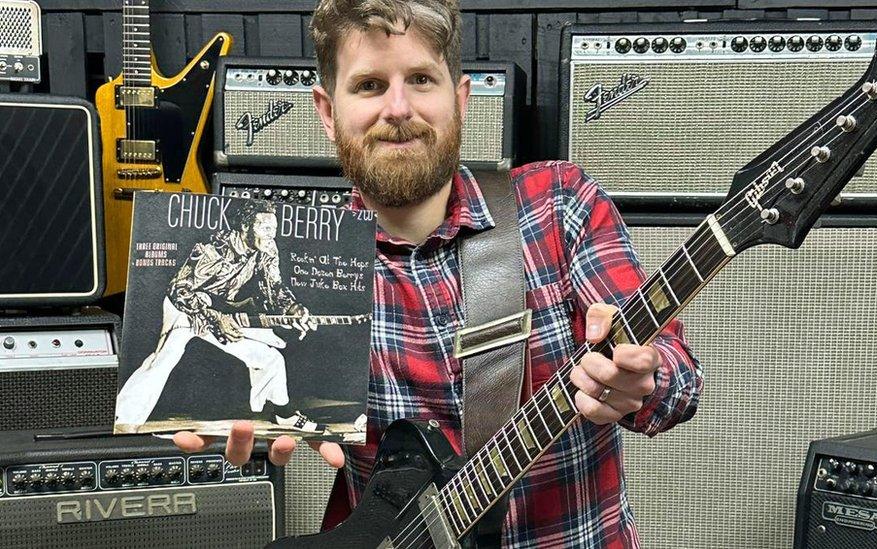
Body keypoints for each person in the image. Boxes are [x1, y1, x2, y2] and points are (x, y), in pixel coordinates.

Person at [174, 0, 704, 545]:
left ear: (462, 99)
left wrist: (646, 379)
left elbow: (677, 377)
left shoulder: (557, 204)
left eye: (422, 79)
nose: (398, 107)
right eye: (369, 85)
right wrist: (208, 401)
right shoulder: (296, 262)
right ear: (328, 112)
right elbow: (237, 377)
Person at [117, 200, 323, 433]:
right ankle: (124, 422)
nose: (270, 235)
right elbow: (179, 290)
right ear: (245, 227)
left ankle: (283, 414)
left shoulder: (267, 249)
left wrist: (294, 309)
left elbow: (274, 288)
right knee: (164, 359)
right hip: (184, 308)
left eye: (273, 229)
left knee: (270, 358)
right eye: (265, 228)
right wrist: (213, 317)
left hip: (221, 310)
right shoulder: (213, 249)